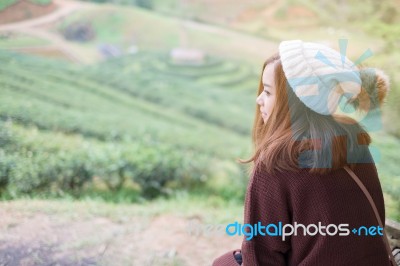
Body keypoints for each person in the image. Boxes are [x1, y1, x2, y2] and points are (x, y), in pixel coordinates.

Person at [212, 40, 393, 265]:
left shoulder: (277, 164)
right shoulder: (353, 139)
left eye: (268, 92)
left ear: (295, 101)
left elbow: (260, 257)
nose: (259, 100)